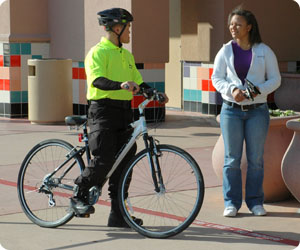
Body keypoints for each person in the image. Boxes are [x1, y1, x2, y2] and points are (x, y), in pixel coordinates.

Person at [69, 8, 168, 227]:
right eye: (128, 27)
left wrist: (153, 92)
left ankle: (118, 213)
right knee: (104, 160)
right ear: (116, 28)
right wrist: (120, 85)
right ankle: (78, 195)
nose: (130, 32)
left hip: (124, 112)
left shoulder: (126, 55)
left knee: (124, 164)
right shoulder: (98, 52)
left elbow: (138, 83)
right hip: (102, 112)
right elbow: (97, 81)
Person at [212, 7, 281, 217]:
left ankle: (255, 203)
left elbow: (275, 79)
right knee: (232, 159)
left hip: (257, 111)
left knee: (256, 160)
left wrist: (254, 92)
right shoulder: (225, 51)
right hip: (231, 111)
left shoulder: (264, 51)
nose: (233, 27)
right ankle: (231, 203)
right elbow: (216, 78)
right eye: (231, 24)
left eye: (238, 24)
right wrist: (232, 90)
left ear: (249, 27)